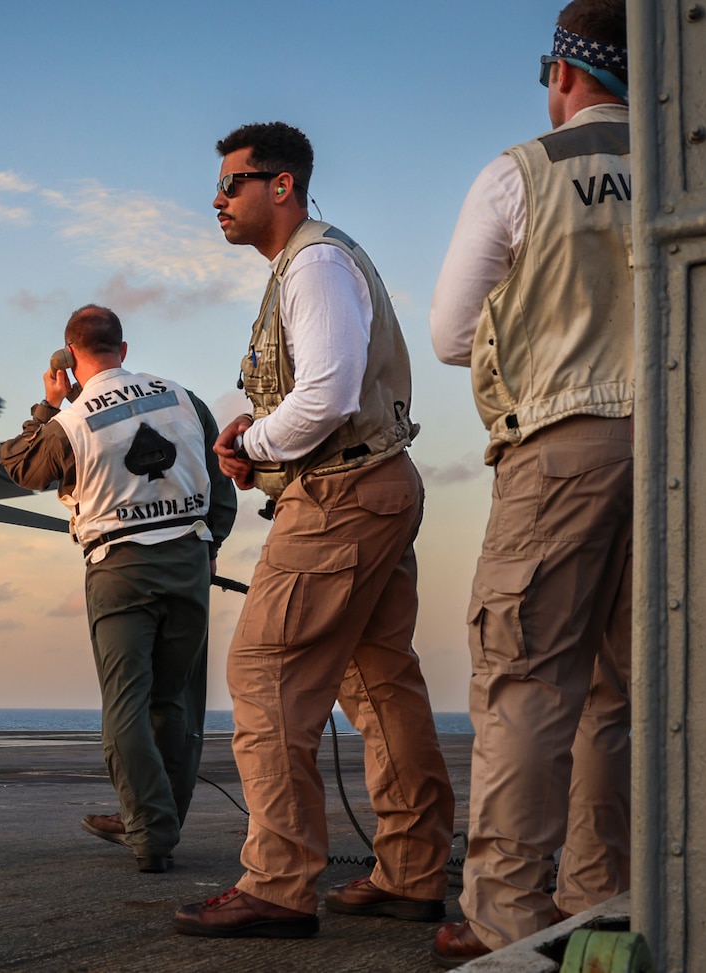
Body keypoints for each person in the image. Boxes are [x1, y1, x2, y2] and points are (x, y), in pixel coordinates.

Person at [172, 122, 455, 939]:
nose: (217, 200)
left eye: (232, 184)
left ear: (281, 185)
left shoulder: (317, 264)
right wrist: (261, 443)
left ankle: (279, 883)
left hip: (340, 496)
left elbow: (327, 396)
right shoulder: (309, 266)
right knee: (374, 680)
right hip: (371, 487)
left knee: (263, 671)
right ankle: (411, 870)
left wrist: (251, 442)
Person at [428, 2, 632, 965]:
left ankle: (507, 922)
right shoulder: (688, 168)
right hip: (681, 459)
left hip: (560, 452)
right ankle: (607, 905)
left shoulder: (521, 171)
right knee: (624, 695)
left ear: (561, 72)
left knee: (526, 686)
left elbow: (453, 334)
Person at [0, 304, 236, 873]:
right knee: (174, 701)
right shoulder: (183, 398)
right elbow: (220, 478)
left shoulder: (72, 420)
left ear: (70, 362)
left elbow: (19, 466)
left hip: (120, 565)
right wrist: (208, 549)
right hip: (187, 559)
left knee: (124, 706)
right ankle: (155, 818)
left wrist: (49, 403)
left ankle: (150, 830)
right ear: (123, 350)